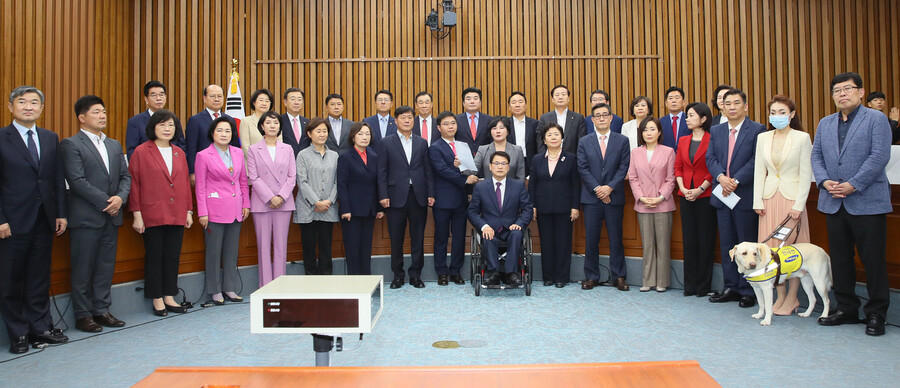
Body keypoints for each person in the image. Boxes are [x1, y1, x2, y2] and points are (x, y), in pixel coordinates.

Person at [812, 72, 892, 336]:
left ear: (860, 91)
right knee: (841, 259)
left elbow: (879, 156)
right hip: (833, 201)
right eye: (837, 90)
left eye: (848, 89)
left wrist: (853, 184)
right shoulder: (825, 123)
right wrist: (824, 182)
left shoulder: (876, 119)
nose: (842, 94)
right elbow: (817, 157)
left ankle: (876, 314)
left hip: (867, 201)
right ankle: (846, 308)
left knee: (873, 261)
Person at [0, 86, 69, 353]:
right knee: (10, 279)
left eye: (34, 103)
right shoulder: (2, 137)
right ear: (10, 107)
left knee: (39, 277)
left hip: (44, 220)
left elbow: (56, 179)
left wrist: (61, 213)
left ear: (42, 108)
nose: (28, 107)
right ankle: (18, 333)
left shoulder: (50, 138)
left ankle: (40, 327)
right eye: (22, 102)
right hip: (12, 222)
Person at [60, 95, 131, 333]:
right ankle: (83, 315)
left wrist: (120, 198)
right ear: (82, 118)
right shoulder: (71, 144)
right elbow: (77, 181)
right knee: (83, 267)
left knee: (105, 266)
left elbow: (125, 176)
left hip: (111, 216)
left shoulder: (114, 144)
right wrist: (107, 201)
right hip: (86, 217)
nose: (102, 115)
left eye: (104, 111)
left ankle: (102, 310)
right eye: (96, 112)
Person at [128, 109, 193, 317]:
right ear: (153, 127)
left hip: (177, 212)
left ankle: (169, 295)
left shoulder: (179, 152)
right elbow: (134, 184)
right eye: (163, 125)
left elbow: (184, 184)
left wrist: (188, 211)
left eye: (171, 125)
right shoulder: (141, 151)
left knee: (172, 256)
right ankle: (156, 298)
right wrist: (136, 214)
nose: (167, 129)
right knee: (155, 256)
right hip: (152, 212)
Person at [752, 95, 812, 316]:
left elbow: (806, 174)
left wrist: (799, 204)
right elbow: (760, 170)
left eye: (782, 112)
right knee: (770, 250)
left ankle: (793, 297)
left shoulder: (802, 138)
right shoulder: (763, 138)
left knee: (792, 250)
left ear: (792, 114)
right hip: (769, 200)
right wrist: (757, 200)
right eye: (773, 113)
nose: (777, 116)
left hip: (792, 201)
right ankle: (780, 296)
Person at [705, 88, 764, 308]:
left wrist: (736, 181)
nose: (731, 107)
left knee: (747, 245)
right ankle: (730, 286)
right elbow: (710, 157)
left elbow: (756, 160)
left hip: (744, 195)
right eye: (727, 103)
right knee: (728, 244)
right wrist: (721, 177)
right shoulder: (717, 130)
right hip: (723, 195)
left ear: (745, 106)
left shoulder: (758, 130)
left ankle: (748, 289)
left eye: (736, 103)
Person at [194, 116, 250, 305]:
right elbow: (200, 186)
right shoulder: (203, 155)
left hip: (236, 210)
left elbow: (243, 181)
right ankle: (215, 290)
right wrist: (202, 212)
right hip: (214, 210)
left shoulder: (238, 153)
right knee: (213, 252)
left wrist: (246, 204)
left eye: (227, 130)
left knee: (231, 251)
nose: (224, 134)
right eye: (220, 130)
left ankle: (230, 288)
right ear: (212, 133)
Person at [378, 106, 435, 289]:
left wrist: (431, 193)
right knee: (396, 238)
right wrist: (383, 195)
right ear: (396, 121)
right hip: (395, 197)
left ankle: (416, 275)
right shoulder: (386, 142)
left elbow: (427, 170)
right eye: (403, 118)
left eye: (410, 117)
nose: (407, 121)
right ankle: (398, 275)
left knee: (417, 237)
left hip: (418, 195)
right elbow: (382, 171)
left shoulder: (421, 142)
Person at [577, 103, 631, 291]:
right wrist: (599, 189)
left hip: (614, 197)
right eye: (597, 115)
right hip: (592, 198)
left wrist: (609, 188)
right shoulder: (584, 141)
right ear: (592, 120)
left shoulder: (622, 140)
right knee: (591, 238)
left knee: (616, 238)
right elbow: (582, 168)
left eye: (604, 115)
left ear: (611, 118)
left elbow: (623, 167)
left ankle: (619, 276)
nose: (601, 118)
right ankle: (591, 276)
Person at [467, 151, 533, 286]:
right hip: (490, 227)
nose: (500, 166)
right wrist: (484, 226)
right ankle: (492, 274)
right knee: (488, 235)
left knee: (516, 234)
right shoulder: (480, 187)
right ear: (490, 166)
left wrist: (519, 223)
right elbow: (472, 211)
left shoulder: (518, 186)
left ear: (508, 167)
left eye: (504, 163)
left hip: (511, 227)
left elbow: (527, 208)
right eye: (496, 163)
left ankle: (511, 274)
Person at [246, 110, 296, 287]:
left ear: (280, 127)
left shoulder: (288, 148)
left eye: (275, 123)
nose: (272, 126)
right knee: (263, 247)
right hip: (262, 202)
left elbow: (292, 177)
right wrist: (270, 197)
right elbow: (254, 177)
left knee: (281, 246)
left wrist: (281, 196)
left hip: (284, 202)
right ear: (262, 126)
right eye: (268, 122)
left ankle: (280, 285)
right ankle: (265, 286)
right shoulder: (253, 149)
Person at [429, 111, 479, 285]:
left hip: (461, 198)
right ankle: (441, 271)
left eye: (453, 123)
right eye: (446, 124)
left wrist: (470, 187)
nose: (450, 126)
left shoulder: (463, 146)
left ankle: (456, 270)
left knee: (459, 237)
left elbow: (469, 168)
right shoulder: (435, 147)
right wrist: (463, 178)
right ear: (439, 127)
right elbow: (441, 170)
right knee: (441, 237)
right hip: (442, 200)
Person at [627, 117, 676, 292]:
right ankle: (647, 280)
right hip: (643, 204)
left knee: (662, 244)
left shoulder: (668, 151)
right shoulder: (635, 152)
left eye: (652, 129)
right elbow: (633, 178)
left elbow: (671, 178)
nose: (649, 133)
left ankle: (662, 281)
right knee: (647, 245)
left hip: (662, 203)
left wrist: (660, 197)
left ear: (659, 132)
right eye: (645, 130)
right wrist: (641, 197)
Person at [528, 123, 580, 288]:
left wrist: (575, 206)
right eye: (549, 135)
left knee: (563, 243)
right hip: (543, 208)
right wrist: (532, 206)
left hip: (565, 208)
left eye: (556, 134)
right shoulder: (537, 159)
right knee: (547, 242)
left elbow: (576, 185)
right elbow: (533, 185)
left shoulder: (571, 158)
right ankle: (548, 276)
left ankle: (561, 277)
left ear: (562, 137)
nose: (553, 137)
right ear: (544, 139)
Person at [674, 102, 716, 297]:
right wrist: (683, 188)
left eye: (691, 115)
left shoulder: (712, 138)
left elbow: (713, 168)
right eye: (687, 116)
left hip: (705, 195)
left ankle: (703, 286)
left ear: (703, 118)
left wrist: (699, 189)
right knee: (689, 240)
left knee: (705, 240)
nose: (688, 119)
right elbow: (678, 167)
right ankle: (689, 285)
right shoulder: (683, 140)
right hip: (685, 195)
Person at [293, 118, 339, 275]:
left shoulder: (334, 156)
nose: (322, 134)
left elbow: (338, 182)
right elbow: (302, 181)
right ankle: (310, 279)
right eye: (318, 131)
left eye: (324, 131)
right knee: (309, 246)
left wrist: (329, 201)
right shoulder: (303, 155)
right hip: (307, 208)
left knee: (326, 247)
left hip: (328, 207)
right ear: (309, 133)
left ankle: (326, 279)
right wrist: (316, 202)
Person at [337, 122, 384, 275]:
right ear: (353, 136)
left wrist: (379, 208)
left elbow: (377, 183)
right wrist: (345, 208)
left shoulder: (373, 156)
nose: (364, 137)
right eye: (360, 134)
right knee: (353, 250)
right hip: (351, 212)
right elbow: (342, 185)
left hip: (369, 211)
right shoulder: (345, 157)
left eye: (367, 134)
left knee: (366, 249)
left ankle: (366, 282)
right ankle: (354, 285)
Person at [185, 85, 240, 184]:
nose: (216, 99)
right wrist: (192, 172)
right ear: (204, 98)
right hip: (205, 169)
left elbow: (234, 145)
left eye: (219, 96)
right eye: (212, 96)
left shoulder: (230, 120)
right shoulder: (195, 120)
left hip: (228, 170)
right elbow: (191, 148)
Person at [125, 81, 184, 159]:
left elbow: (181, 144)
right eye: (154, 95)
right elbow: (132, 151)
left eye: (161, 95)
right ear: (146, 99)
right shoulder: (135, 122)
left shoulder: (173, 119)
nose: (158, 98)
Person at [539, 84, 587, 154]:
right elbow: (540, 141)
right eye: (557, 95)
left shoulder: (578, 118)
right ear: (552, 99)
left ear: (568, 98)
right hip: (550, 158)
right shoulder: (544, 118)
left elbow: (581, 141)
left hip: (572, 159)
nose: (560, 97)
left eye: (563, 94)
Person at [507, 91, 542, 171]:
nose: (517, 105)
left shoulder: (535, 124)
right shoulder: (505, 124)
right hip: (509, 162)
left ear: (526, 106)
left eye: (520, 102)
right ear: (509, 107)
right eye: (514, 102)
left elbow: (539, 146)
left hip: (530, 162)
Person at [239, 88, 276, 157]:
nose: (264, 103)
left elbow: (279, 145)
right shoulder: (246, 121)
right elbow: (245, 147)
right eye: (261, 100)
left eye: (267, 101)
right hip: (253, 163)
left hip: (273, 164)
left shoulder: (275, 122)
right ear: (254, 102)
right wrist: (260, 161)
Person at [280, 87, 309, 155]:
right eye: (293, 99)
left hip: (304, 163)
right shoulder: (279, 121)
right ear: (285, 102)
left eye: (299, 99)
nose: (296, 102)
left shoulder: (307, 122)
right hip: (285, 160)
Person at [659, 86, 689, 150]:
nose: (674, 101)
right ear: (666, 103)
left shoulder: (689, 119)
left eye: (677, 98)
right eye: (670, 98)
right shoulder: (660, 122)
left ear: (683, 102)